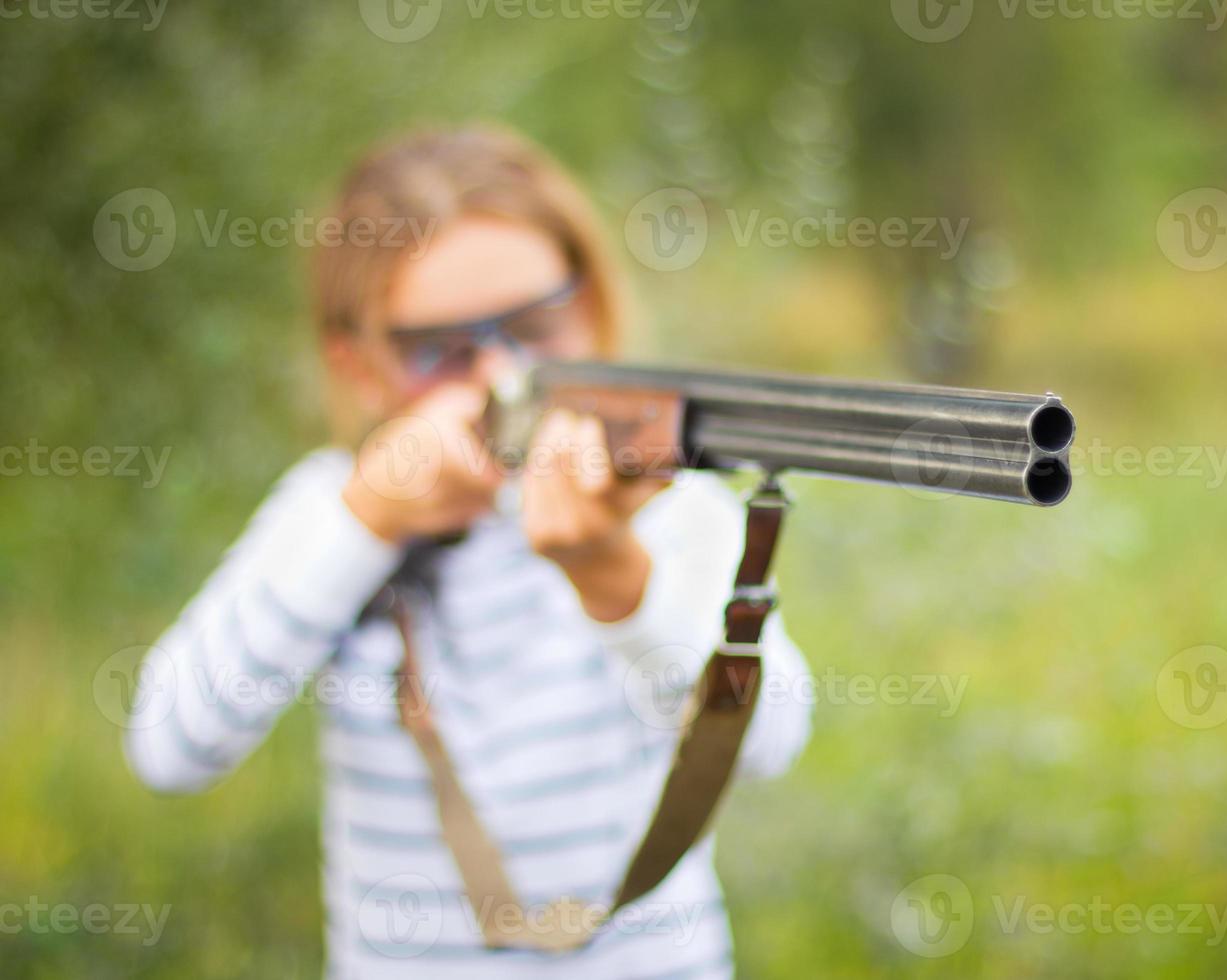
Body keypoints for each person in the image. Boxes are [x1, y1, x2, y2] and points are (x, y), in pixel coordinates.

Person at [124, 124, 813, 979]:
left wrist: (615, 579)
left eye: (534, 327)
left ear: (591, 305)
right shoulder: (330, 510)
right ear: (361, 365)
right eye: (436, 352)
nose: (498, 378)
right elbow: (171, 746)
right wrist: (368, 522)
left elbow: (771, 743)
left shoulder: (669, 506)